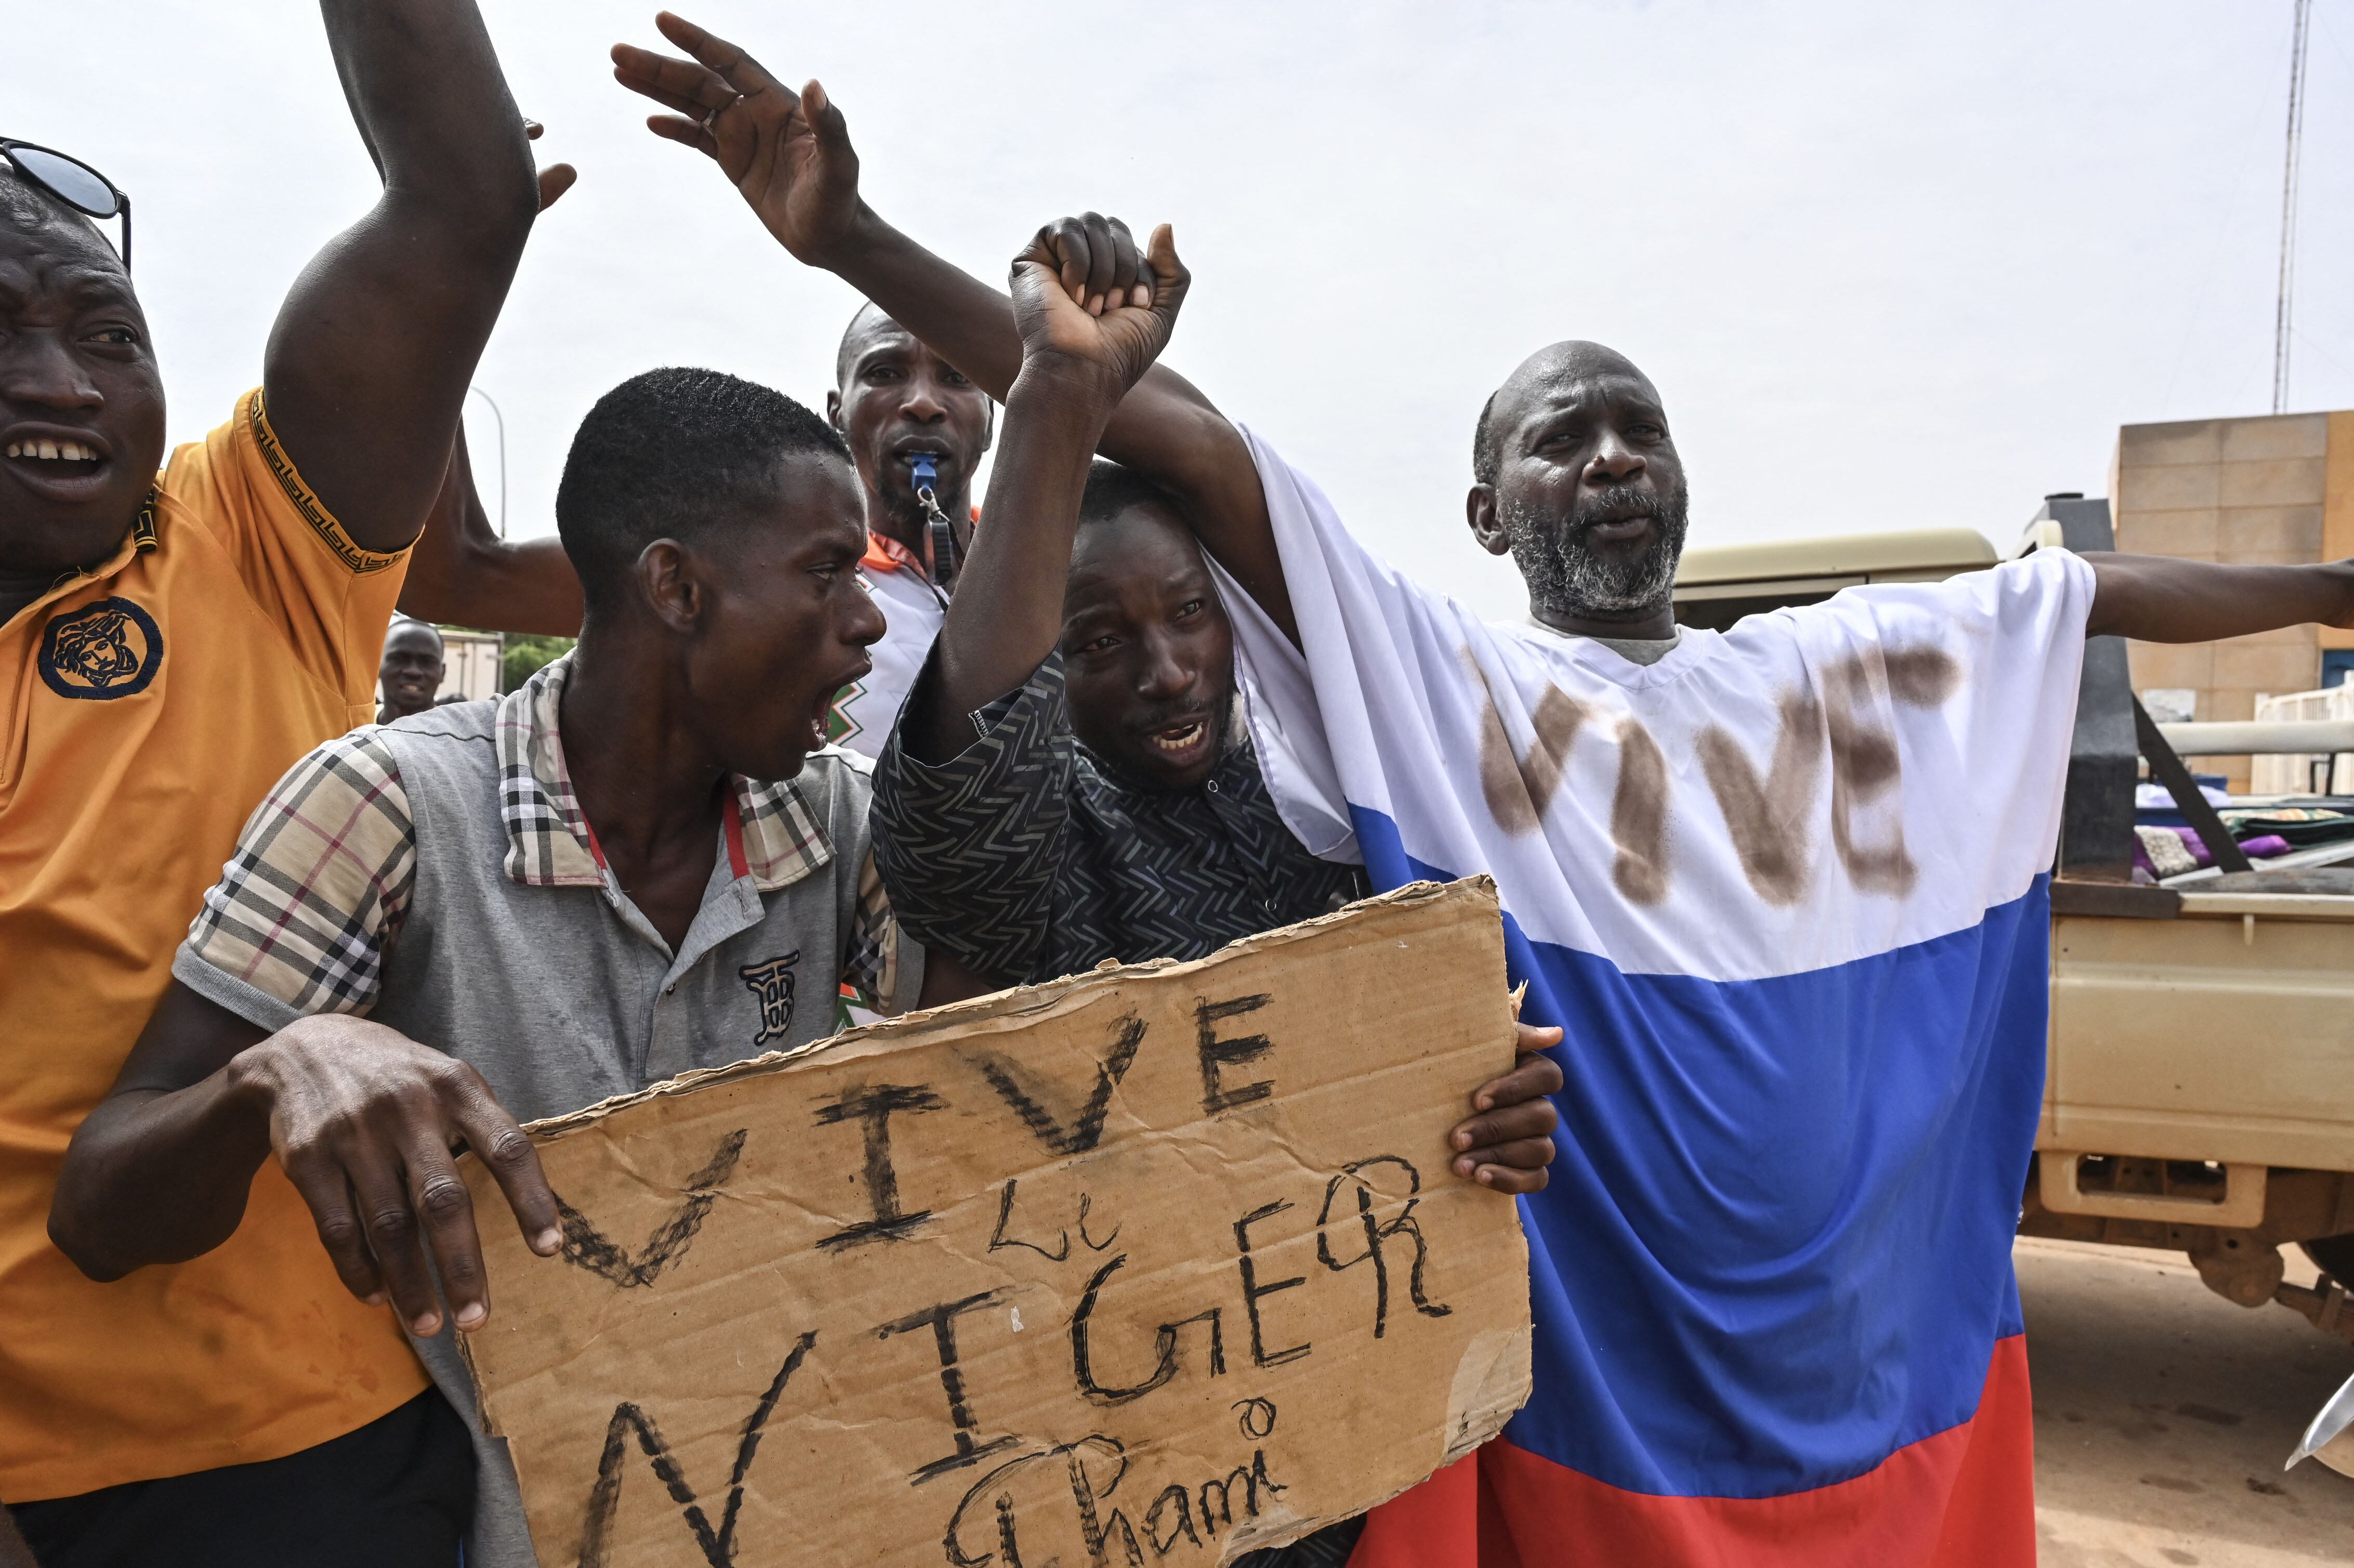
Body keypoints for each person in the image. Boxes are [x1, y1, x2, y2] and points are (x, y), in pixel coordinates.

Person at [614, 23, 2354, 1566]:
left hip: (1868, 1377)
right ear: (1477, 512)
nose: (1606, 457)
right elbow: (1165, 429)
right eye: (1557, 435)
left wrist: (2332, 598)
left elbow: (2095, 595)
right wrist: (853, 240)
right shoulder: (1441, 682)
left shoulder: (1845, 665)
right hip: (1551, 1417)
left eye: (1635, 426)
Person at [50, 367, 947, 1566]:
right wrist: (282, 1064)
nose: (868, 621)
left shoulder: (829, 816)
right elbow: (101, 1209)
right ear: (675, 586)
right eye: (827, 569)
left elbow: (987, 1051)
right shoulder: (384, 804)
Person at [0, 3, 569, 1559]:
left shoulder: (252, 541)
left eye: (108, 338)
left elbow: (462, 196)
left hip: (318, 1461)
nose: (60, 383)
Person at [822, 302, 993, 755]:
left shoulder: (1053, 571)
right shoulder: (792, 588)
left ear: (992, 422)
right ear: (837, 414)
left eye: (958, 377)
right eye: (884, 373)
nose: (923, 403)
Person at [377, 617, 447, 722]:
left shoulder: (460, 736)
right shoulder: (352, 726)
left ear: (443, 672)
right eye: (398, 659)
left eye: (427, 662)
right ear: (378, 668)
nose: (413, 672)